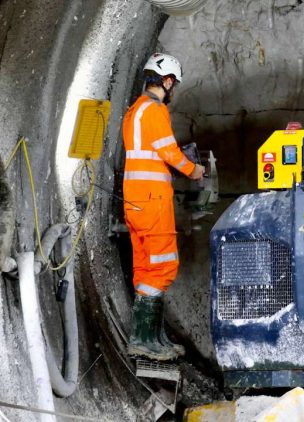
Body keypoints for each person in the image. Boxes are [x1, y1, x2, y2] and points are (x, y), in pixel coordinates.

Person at [122, 53, 204, 361]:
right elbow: (169, 153)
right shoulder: (154, 111)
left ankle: (150, 337)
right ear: (167, 81)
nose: (174, 90)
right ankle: (144, 340)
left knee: (145, 268)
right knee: (163, 267)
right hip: (152, 202)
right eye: (174, 84)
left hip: (135, 201)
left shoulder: (134, 112)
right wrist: (194, 170)